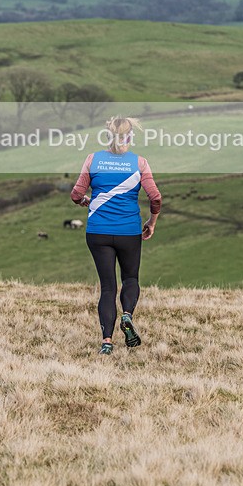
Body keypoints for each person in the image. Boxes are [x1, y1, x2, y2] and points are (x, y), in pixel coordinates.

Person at [70, 116, 161, 355]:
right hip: (129, 231)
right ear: (130, 137)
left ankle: (107, 343)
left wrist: (85, 201)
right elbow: (155, 197)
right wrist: (151, 222)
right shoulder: (139, 163)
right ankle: (127, 316)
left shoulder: (93, 159)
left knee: (108, 287)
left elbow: (76, 193)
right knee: (130, 278)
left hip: (98, 231)